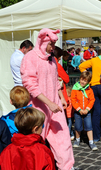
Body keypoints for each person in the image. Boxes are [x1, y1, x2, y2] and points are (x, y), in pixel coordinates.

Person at [20, 28, 74, 170]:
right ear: (43, 41)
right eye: (51, 44)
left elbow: (56, 81)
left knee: (63, 138)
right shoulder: (30, 57)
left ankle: (67, 167)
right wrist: (48, 103)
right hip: (38, 108)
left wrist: (61, 98)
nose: (53, 47)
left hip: (55, 106)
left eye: (54, 44)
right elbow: (30, 85)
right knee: (36, 141)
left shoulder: (52, 60)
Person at [71, 71, 98, 151]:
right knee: (78, 127)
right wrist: (79, 109)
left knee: (89, 127)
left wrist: (87, 109)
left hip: (87, 111)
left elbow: (92, 100)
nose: (83, 81)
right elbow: (73, 100)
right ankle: (77, 140)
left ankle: (91, 142)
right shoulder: (75, 88)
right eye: (82, 79)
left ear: (88, 82)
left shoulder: (89, 90)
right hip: (78, 111)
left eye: (85, 80)